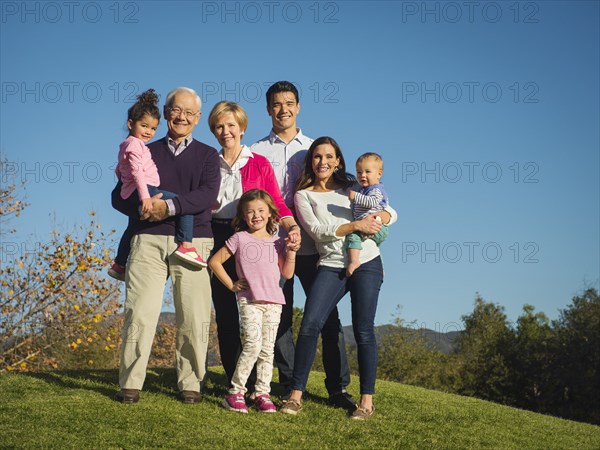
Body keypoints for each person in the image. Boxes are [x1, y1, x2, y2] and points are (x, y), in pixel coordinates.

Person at [111, 87, 220, 404]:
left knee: (193, 315)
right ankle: (130, 382)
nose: (181, 116)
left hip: (195, 240)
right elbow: (119, 196)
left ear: (197, 118)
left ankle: (190, 384)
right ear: (166, 112)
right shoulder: (143, 148)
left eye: (189, 112)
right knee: (140, 313)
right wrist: (146, 208)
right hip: (148, 239)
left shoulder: (207, 155)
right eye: (176, 110)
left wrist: (169, 208)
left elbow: (207, 197)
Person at [251, 81, 355, 409]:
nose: (283, 109)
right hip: (271, 248)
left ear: (298, 107)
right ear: (268, 109)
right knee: (278, 317)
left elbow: (340, 191)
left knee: (326, 318)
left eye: (289, 103)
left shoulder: (313, 150)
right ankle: (288, 381)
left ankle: (337, 387)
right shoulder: (255, 152)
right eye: (277, 104)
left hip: (315, 248)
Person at [280, 136, 396, 420]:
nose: (323, 162)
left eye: (329, 157)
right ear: (311, 162)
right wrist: (356, 224)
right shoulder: (303, 195)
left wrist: (380, 216)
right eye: (317, 157)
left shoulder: (352, 188)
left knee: (363, 329)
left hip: (367, 261)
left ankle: (366, 402)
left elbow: (390, 210)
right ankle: (296, 395)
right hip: (331, 264)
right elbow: (319, 231)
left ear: (338, 161)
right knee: (310, 324)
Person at [207, 101, 301, 388]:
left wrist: (292, 226)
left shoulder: (258, 162)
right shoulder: (208, 164)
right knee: (225, 310)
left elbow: (276, 201)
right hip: (216, 236)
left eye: (231, 125)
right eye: (220, 126)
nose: (226, 131)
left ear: (242, 128)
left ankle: (280, 383)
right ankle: (237, 381)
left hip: (252, 241)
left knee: (266, 305)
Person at [209, 189, 298, 413]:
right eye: (250, 212)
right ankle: (235, 393)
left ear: (270, 214)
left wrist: (292, 252)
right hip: (249, 301)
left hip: (274, 302)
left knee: (268, 349)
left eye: (260, 210)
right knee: (253, 345)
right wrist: (231, 285)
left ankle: (261, 394)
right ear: (243, 216)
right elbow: (214, 262)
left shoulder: (278, 242)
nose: (256, 215)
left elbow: (287, 274)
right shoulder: (239, 238)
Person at [108, 89, 206, 282]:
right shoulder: (137, 145)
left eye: (152, 128)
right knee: (182, 204)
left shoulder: (127, 145)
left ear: (197, 117)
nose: (148, 132)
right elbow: (136, 171)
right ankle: (186, 245)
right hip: (146, 190)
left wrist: (127, 182)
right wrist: (145, 197)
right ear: (130, 124)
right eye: (144, 126)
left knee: (132, 226)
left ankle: (119, 264)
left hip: (136, 190)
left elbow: (121, 170)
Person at [346, 152, 389, 276]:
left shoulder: (376, 190)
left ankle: (354, 261)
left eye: (367, 172)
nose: (362, 175)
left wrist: (356, 197)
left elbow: (372, 202)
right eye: (359, 172)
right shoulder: (363, 189)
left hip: (377, 226)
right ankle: (381, 268)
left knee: (352, 236)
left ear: (379, 174)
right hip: (373, 226)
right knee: (374, 249)